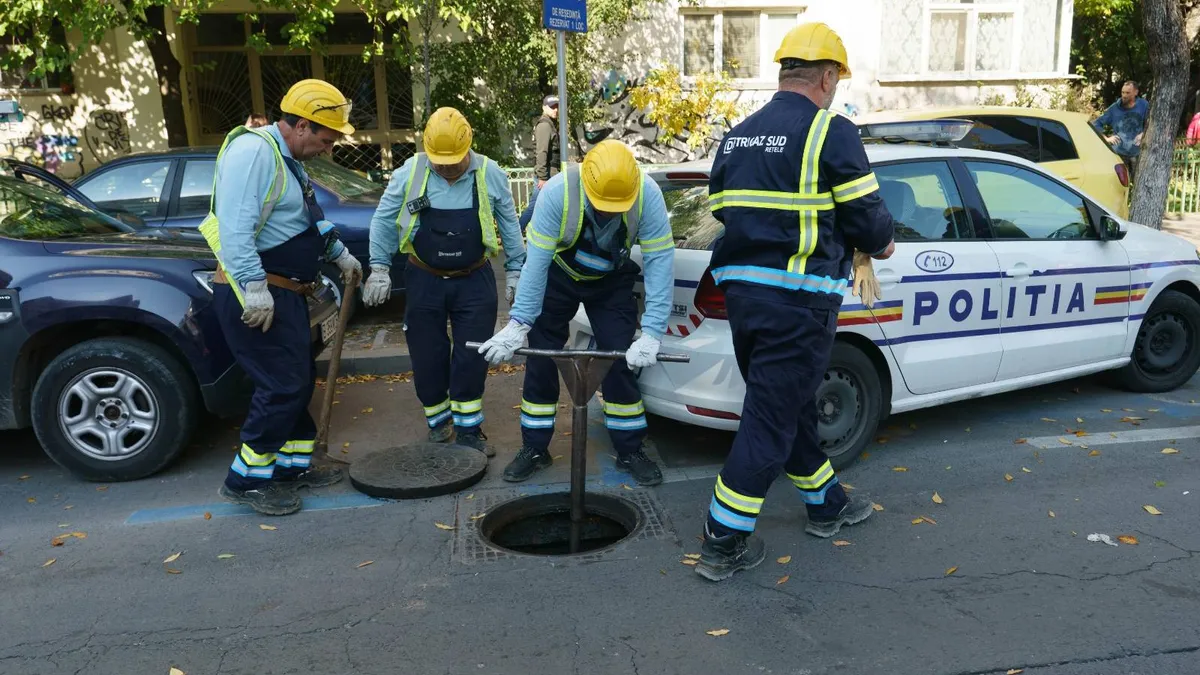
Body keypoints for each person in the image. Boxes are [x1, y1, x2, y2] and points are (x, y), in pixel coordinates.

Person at [693, 22, 897, 581]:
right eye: (836, 80)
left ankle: (826, 505)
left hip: (743, 301)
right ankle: (723, 541)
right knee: (769, 418)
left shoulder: (738, 135)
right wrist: (876, 245)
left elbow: (723, 209)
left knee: (786, 405)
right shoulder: (831, 132)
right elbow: (869, 220)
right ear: (828, 77)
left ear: (787, 72)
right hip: (798, 303)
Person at [200, 79, 363, 516]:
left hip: (284, 293)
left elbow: (304, 218)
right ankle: (246, 481)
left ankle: (291, 466)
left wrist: (340, 254)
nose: (328, 148)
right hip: (256, 296)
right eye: (326, 139)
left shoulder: (286, 158)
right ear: (302, 125)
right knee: (281, 385)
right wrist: (254, 287)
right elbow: (234, 228)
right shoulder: (254, 153)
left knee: (297, 381)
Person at [478, 139, 674, 486]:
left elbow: (660, 262)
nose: (610, 212)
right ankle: (534, 448)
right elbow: (535, 262)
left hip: (611, 282)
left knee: (618, 358)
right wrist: (519, 323)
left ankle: (630, 449)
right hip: (558, 277)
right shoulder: (556, 193)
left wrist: (653, 331)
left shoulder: (648, 195)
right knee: (541, 357)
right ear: (587, 183)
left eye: (617, 207)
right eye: (604, 206)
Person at [361, 107, 526, 455]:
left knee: (472, 355)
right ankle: (437, 422)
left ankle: (468, 431)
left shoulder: (489, 173)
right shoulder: (411, 172)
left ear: (469, 148)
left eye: (453, 160)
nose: (447, 167)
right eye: (440, 161)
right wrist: (378, 267)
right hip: (424, 278)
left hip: (474, 280)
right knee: (427, 355)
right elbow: (384, 219)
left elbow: (509, 222)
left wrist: (516, 271)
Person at [1092, 81, 1149, 184]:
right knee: (1119, 186)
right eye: (1123, 92)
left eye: (1128, 93)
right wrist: (1106, 139)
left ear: (1135, 92)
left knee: (1140, 185)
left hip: (1137, 154)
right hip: (1119, 155)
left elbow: (1150, 123)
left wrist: (1142, 134)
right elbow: (1096, 124)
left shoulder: (1143, 105)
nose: (1124, 96)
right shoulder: (1114, 109)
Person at [518, 95, 561, 233]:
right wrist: (543, 177)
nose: (556, 110)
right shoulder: (544, 125)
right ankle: (515, 231)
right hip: (547, 174)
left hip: (549, 173)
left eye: (557, 107)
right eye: (552, 107)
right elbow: (542, 152)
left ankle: (517, 231)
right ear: (544, 107)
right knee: (535, 206)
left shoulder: (548, 124)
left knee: (542, 206)